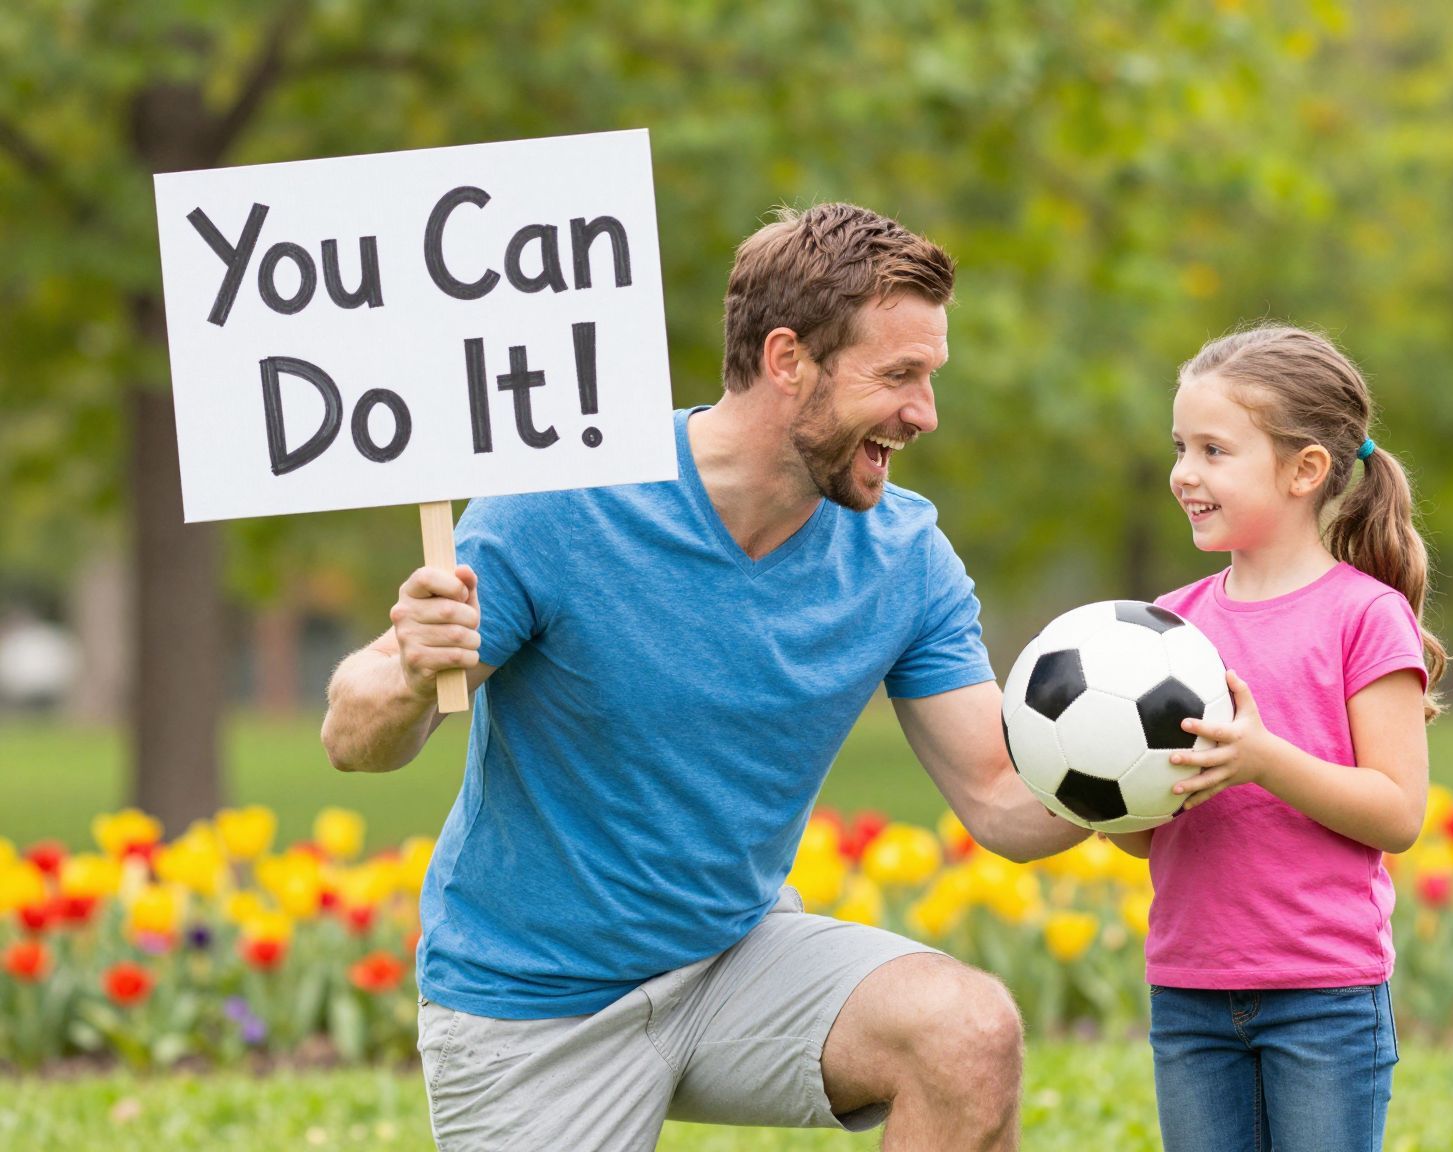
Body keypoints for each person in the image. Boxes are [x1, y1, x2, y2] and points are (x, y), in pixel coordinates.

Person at [320, 202, 1088, 1151]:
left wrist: (1151, 779)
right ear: (786, 360)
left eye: (929, 378)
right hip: (534, 1002)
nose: (924, 413)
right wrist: (407, 664)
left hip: (735, 962)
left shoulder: (902, 554)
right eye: (898, 376)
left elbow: (1003, 795)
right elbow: (354, 740)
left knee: (967, 1034)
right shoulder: (562, 503)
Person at [1109, 324, 1445, 1152]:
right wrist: (1106, 793)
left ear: (1305, 471)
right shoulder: (1169, 626)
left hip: (1324, 995)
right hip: (1189, 988)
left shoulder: (1363, 616)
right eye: (1180, 446)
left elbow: (1398, 811)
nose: (1185, 472)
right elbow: (1151, 834)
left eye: (1215, 450)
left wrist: (1263, 761)